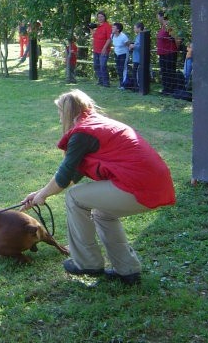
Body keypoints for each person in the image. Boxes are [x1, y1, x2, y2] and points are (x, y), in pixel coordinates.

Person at [21, 90, 175, 285]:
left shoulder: (83, 132)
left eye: (59, 112)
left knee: (74, 197)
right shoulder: (95, 125)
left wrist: (43, 195)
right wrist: (39, 193)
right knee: (103, 214)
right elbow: (74, 174)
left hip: (140, 186)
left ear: (67, 112)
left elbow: (64, 176)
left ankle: (87, 263)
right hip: (154, 185)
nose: (59, 118)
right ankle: (127, 270)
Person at [156, 11, 179, 95]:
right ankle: (166, 89)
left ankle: (171, 89)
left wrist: (176, 48)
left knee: (169, 71)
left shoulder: (169, 25)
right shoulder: (162, 26)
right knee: (164, 71)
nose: (157, 18)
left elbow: (176, 37)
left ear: (162, 17)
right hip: (163, 53)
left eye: (158, 16)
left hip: (169, 53)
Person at [103, 23, 130, 89]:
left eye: (113, 27)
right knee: (118, 69)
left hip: (124, 54)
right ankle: (121, 84)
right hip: (116, 54)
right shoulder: (112, 35)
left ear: (118, 29)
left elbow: (128, 45)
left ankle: (124, 85)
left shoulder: (123, 37)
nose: (112, 28)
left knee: (123, 69)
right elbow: (113, 43)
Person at [90, 11, 112, 87]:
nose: (100, 18)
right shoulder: (98, 26)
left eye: (101, 17)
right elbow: (94, 36)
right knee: (96, 66)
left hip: (103, 50)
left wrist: (104, 48)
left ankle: (106, 82)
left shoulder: (108, 26)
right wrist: (91, 28)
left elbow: (109, 39)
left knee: (103, 66)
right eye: (98, 17)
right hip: (96, 49)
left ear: (105, 17)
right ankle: (101, 80)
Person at [126, 22, 144, 91]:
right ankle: (135, 86)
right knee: (135, 72)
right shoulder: (138, 36)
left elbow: (140, 46)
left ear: (139, 28)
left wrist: (132, 46)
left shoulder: (141, 36)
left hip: (138, 59)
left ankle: (137, 87)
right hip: (136, 58)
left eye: (135, 28)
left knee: (136, 73)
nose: (134, 29)